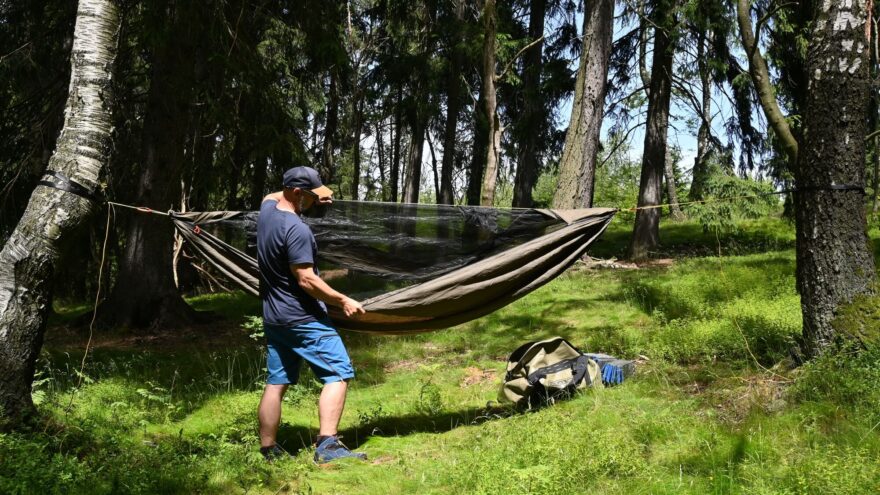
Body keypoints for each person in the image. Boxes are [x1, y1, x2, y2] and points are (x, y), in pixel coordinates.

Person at [256, 166, 367, 464]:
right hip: (303, 318)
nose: (315, 202)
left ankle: (268, 449)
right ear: (295, 193)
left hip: (274, 316)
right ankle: (328, 447)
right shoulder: (297, 230)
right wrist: (343, 299)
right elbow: (306, 279)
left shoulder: (267, 211)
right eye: (310, 196)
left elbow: (272, 194)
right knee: (338, 374)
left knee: (277, 382)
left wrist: (319, 196)